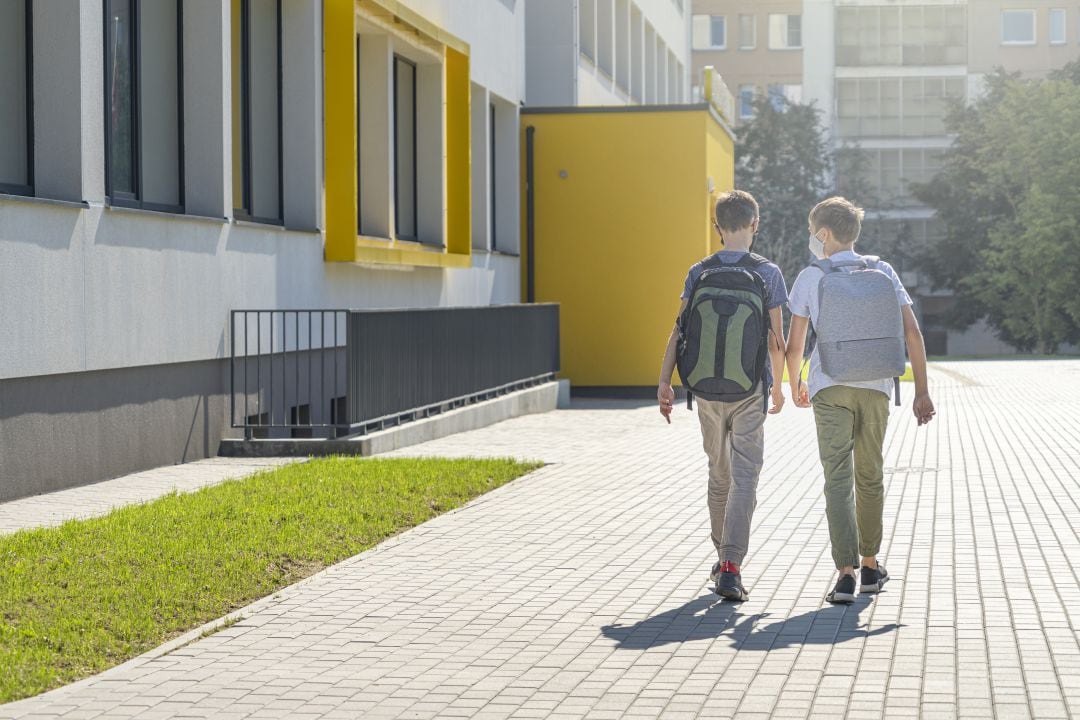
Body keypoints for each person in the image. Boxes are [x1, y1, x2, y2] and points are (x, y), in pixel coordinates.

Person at [785, 197, 936, 604]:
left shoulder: (811, 276)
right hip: (876, 386)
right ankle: (871, 566)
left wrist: (795, 381)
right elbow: (913, 333)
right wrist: (921, 391)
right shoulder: (883, 270)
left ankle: (845, 574)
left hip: (830, 386)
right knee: (870, 477)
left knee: (837, 479)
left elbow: (796, 343)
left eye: (812, 231)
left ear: (824, 234)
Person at [657, 190, 788, 602]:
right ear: (755, 224)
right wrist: (779, 387)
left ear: (717, 228)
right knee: (746, 474)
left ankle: (721, 558)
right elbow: (776, 342)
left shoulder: (699, 271)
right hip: (750, 389)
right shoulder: (768, 273)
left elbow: (680, 330)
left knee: (719, 474)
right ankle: (731, 564)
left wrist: (664, 381)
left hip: (706, 390)